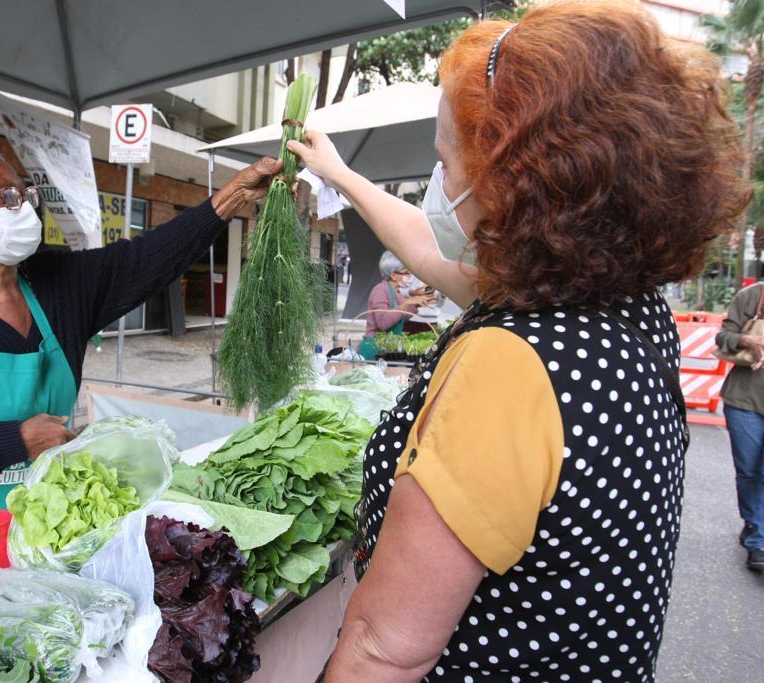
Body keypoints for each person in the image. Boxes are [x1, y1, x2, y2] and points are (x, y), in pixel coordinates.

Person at [289, 2, 748, 680]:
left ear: (514, 183)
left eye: (447, 164)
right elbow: (427, 249)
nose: (438, 188)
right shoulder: (620, 309)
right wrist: (342, 176)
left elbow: (384, 649)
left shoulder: (510, 364)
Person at [0, 146, 280, 563]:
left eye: (26, 194)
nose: (26, 209)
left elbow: (145, 260)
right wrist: (16, 440)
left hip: (35, 529)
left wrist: (234, 194)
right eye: (7, 197)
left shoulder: (54, 283)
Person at [715, 282, 764, 571]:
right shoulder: (752, 296)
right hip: (744, 400)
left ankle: (758, 540)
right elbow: (723, 336)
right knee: (748, 471)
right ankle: (753, 523)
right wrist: (748, 342)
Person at [358, 251, 433, 359]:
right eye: (406, 273)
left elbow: (401, 317)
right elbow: (383, 323)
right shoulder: (380, 290)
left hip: (387, 348)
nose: (409, 276)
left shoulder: (396, 292)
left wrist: (417, 304)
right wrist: (406, 302)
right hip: (374, 348)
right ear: (393, 275)